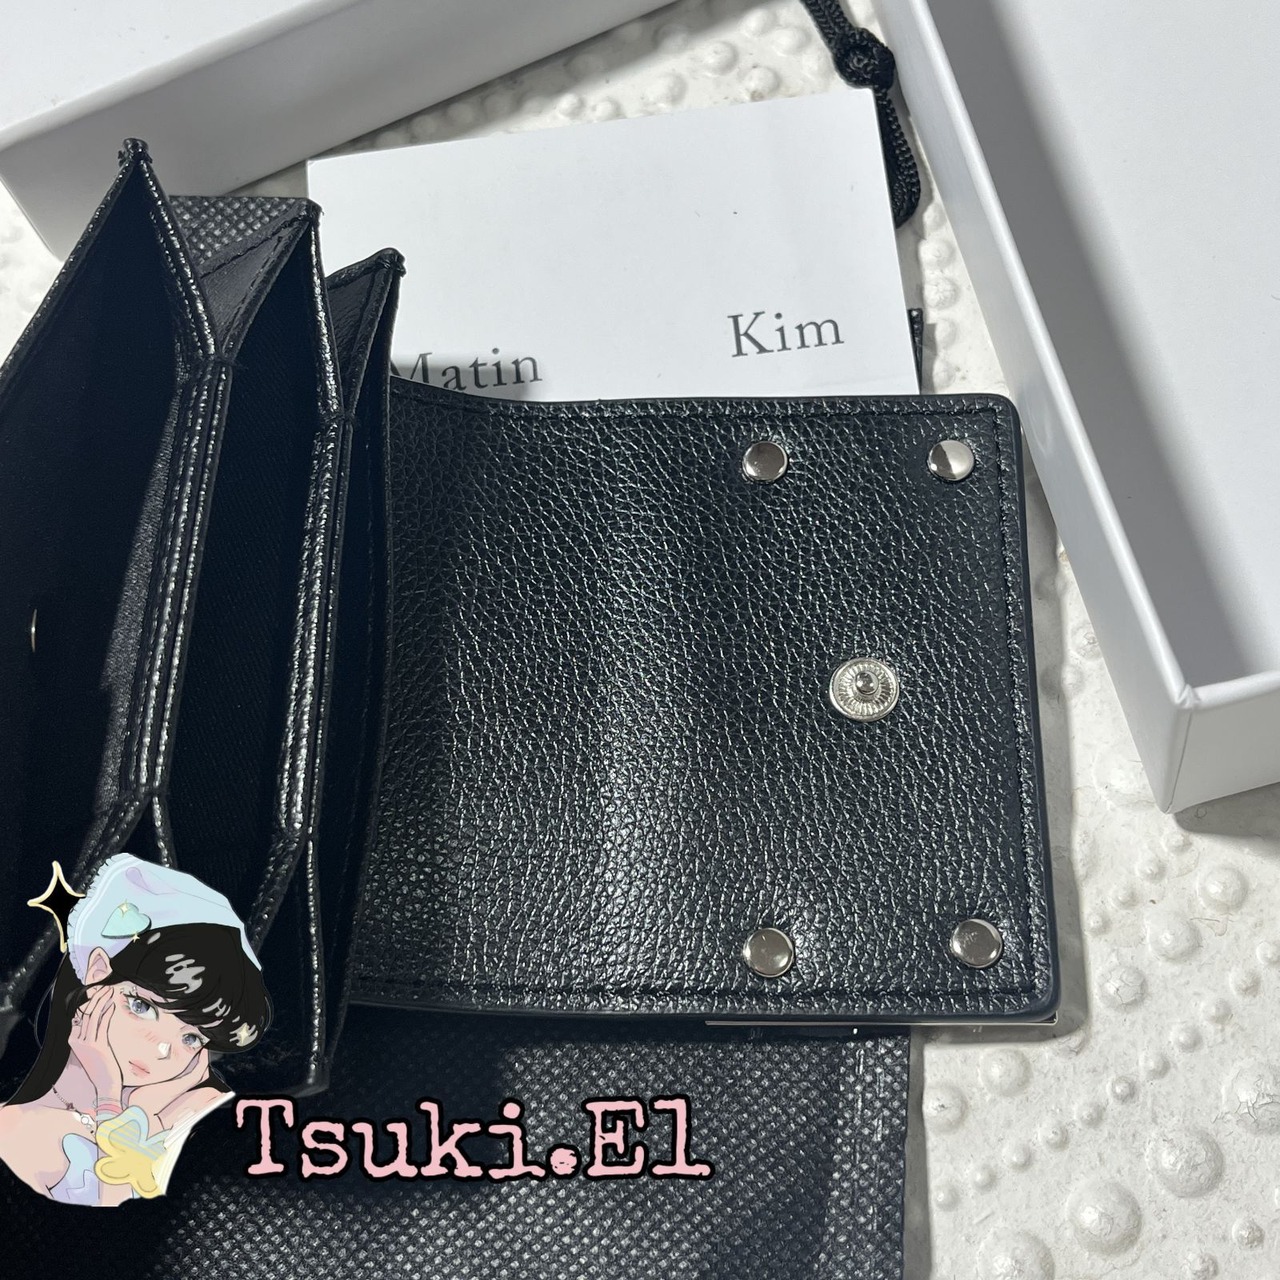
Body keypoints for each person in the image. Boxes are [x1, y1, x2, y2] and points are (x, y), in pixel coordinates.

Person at [0, 853, 271, 1205]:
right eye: (142, 1007)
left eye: (191, 1037)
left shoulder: (151, 1116)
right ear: (97, 973)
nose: (162, 1049)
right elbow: (112, 1206)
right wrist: (109, 1095)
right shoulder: (21, 1127)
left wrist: (119, 1096)